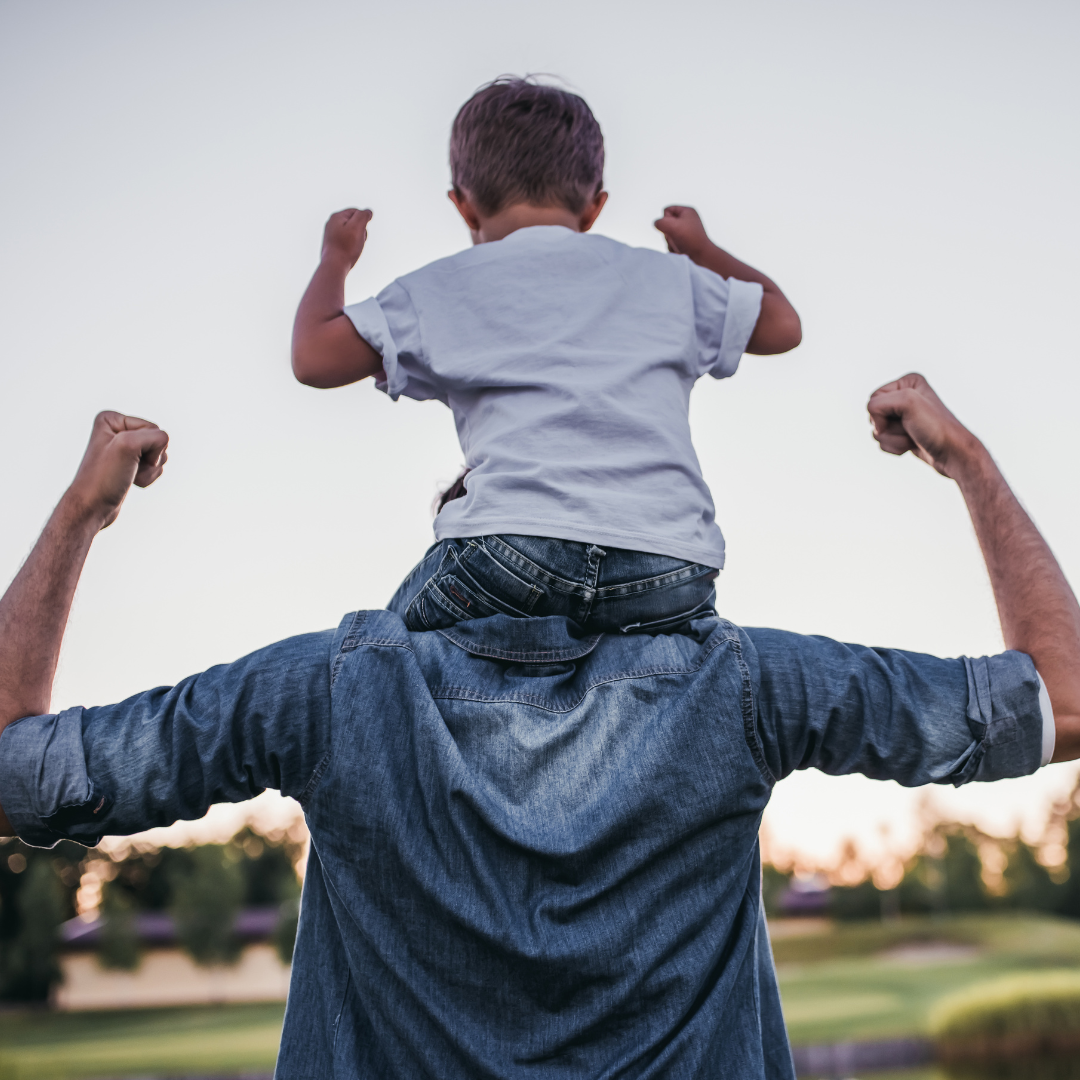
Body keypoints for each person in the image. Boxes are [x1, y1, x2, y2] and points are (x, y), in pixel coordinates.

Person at [1, 374, 1078, 1079]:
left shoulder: (329, 692)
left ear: (458, 529)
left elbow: (16, 776)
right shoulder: (742, 686)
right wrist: (968, 461)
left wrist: (81, 514)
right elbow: (1062, 703)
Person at [291, 77, 802, 636]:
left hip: (513, 555)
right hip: (670, 567)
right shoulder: (668, 280)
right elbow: (782, 325)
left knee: (379, 653)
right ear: (595, 207)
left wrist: (335, 258)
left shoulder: (443, 287)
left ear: (462, 206)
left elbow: (314, 357)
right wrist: (702, 250)